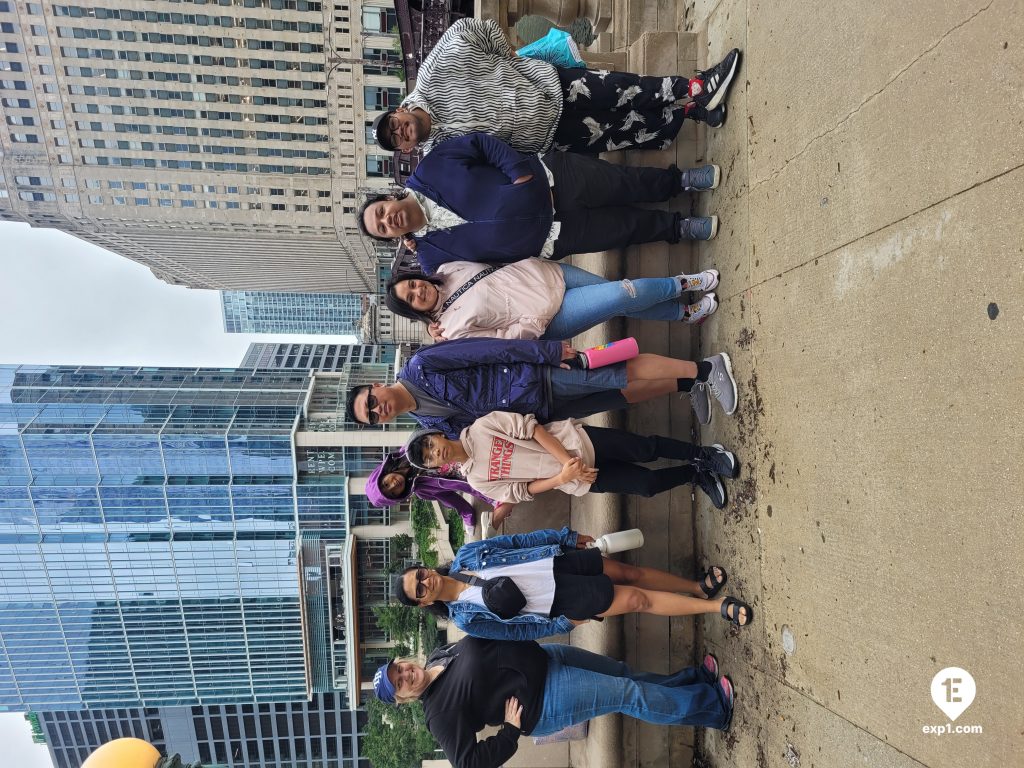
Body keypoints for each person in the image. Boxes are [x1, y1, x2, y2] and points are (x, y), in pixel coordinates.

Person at [357, 131, 721, 273]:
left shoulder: (431, 168)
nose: (389, 221)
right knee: (622, 230)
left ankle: (682, 181)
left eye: (382, 213)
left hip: (552, 180)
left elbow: (479, 144)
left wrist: (517, 171)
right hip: (551, 238)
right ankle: (681, 227)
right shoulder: (431, 257)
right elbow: (466, 283)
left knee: (624, 182)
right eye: (383, 229)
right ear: (392, 238)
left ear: (389, 198)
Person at [372, 17, 741, 156]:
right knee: (627, 131)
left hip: (551, 86)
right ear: (404, 149)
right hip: (552, 137)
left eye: (394, 124)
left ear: (399, 111)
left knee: (627, 89)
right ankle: (692, 113)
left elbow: (469, 29)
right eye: (397, 139)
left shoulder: (432, 73)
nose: (401, 131)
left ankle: (695, 86)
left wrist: (510, 58)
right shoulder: (439, 154)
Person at [372, 635, 735, 768]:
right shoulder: (438, 715)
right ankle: (712, 708)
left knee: (625, 675)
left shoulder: (437, 655)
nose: (405, 675)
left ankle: (694, 682)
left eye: (398, 669)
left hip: (547, 658)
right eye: (399, 684)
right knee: (629, 696)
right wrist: (510, 734)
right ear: (403, 699)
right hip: (547, 700)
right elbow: (467, 762)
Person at [392, 526, 751, 640]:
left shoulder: (468, 555)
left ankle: (695, 587)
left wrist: (565, 536)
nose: (426, 582)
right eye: (419, 590)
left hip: (559, 561)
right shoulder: (465, 620)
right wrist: (566, 624)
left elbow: (518, 543)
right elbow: (518, 634)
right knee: (638, 599)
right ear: (424, 603)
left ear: (425, 568)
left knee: (631, 573)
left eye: (420, 575)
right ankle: (715, 606)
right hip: (560, 602)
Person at [343, 337, 738, 438]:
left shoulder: (421, 365)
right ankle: (687, 382)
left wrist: (545, 351)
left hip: (535, 376)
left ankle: (705, 368)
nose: (379, 410)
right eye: (373, 416)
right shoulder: (425, 423)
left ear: (377, 384)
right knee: (618, 394)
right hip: (539, 410)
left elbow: (486, 351)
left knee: (619, 372)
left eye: (371, 402)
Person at [405, 410, 740, 510]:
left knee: (646, 448)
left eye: (430, 446)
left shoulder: (480, 428)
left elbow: (531, 429)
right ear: (437, 467)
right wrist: (563, 478)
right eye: (430, 459)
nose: (436, 453)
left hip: (576, 442)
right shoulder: (476, 480)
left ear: (435, 435)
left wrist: (569, 460)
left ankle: (704, 455)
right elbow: (521, 491)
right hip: (575, 480)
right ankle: (694, 475)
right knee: (646, 485)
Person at [384, 259, 720, 341]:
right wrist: (534, 322)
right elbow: (501, 341)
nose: (417, 292)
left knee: (621, 295)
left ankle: (683, 314)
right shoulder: (451, 330)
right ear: (413, 311)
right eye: (410, 299)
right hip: (551, 315)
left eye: (412, 284)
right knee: (622, 293)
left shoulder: (446, 269)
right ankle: (682, 284)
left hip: (546, 274)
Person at [366, 449, 514, 535]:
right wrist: (468, 516)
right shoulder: (422, 491)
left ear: (383, 473)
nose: (393, 485)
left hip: (475, 449)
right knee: (508, 497)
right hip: (482, 480)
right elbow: (451, 499)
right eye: (392, 493)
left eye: (385, 483)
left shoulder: (411, 449)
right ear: (398, 497)